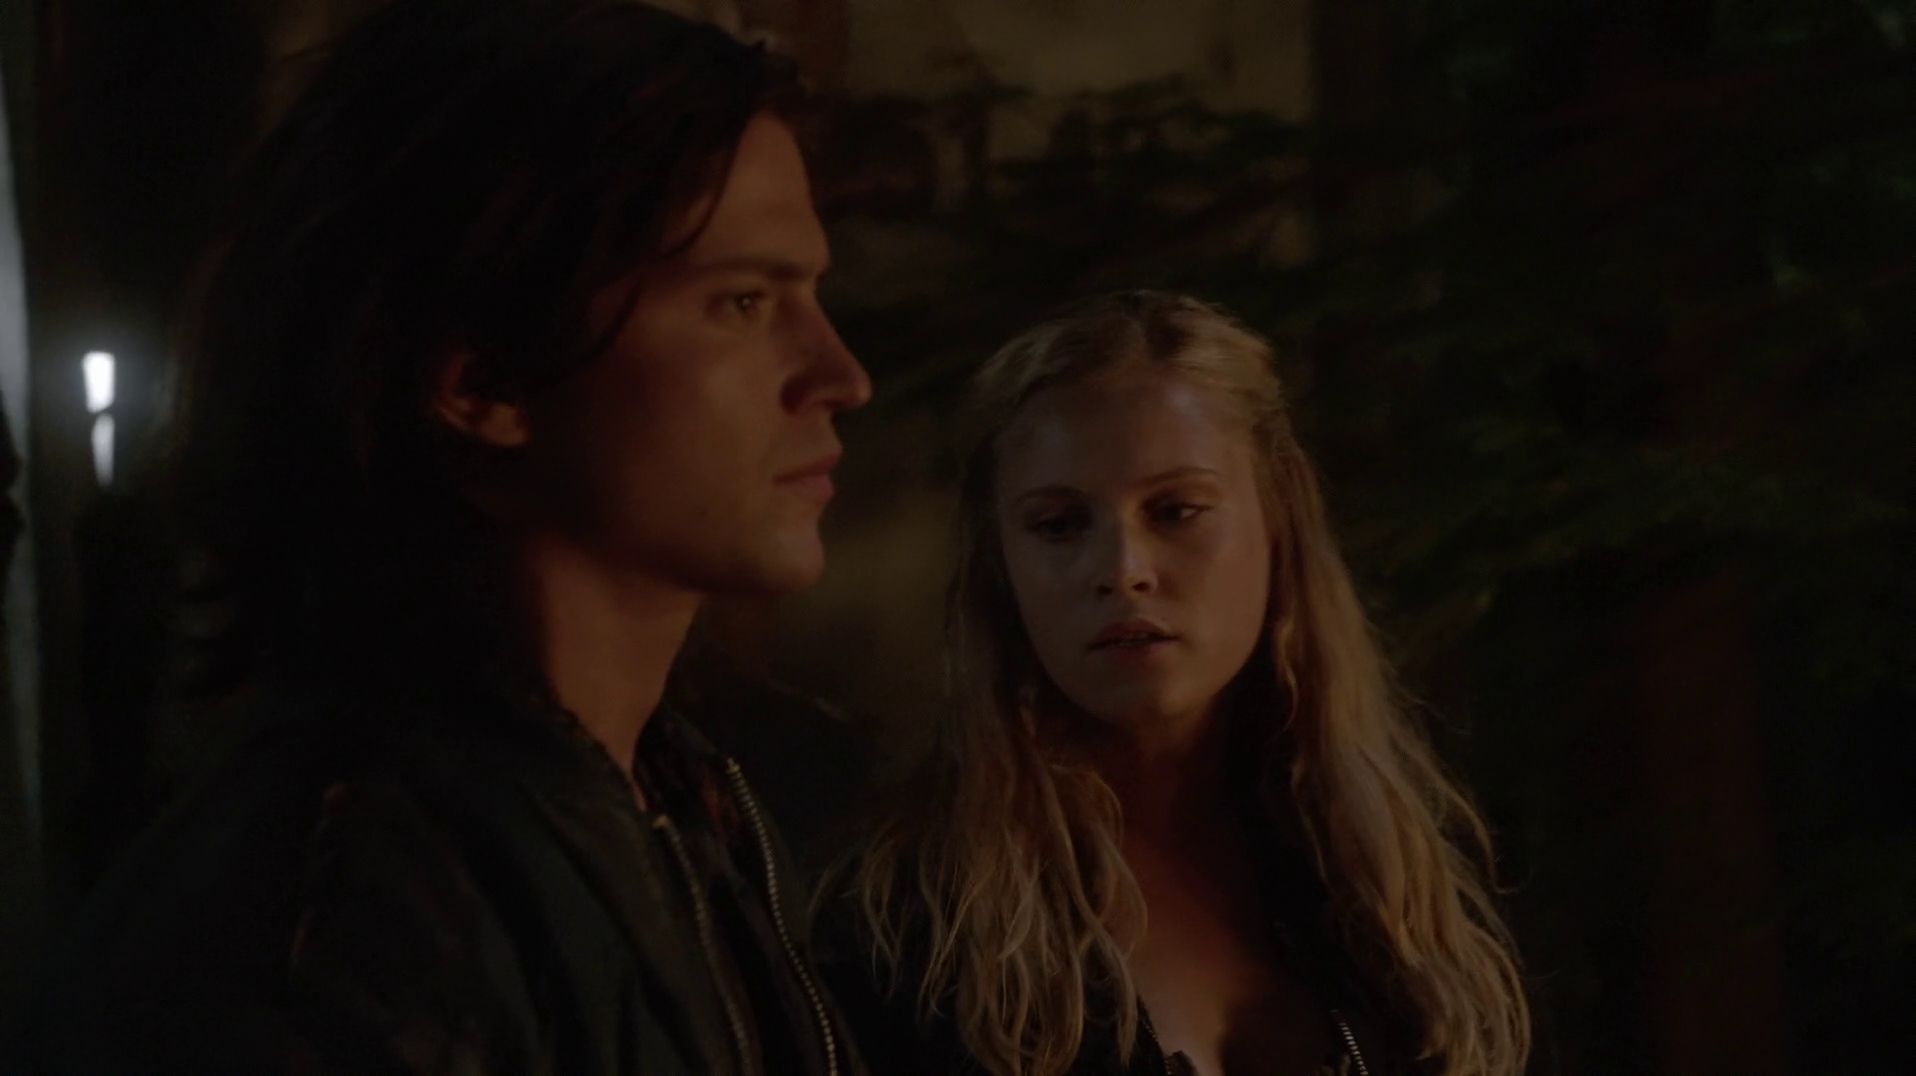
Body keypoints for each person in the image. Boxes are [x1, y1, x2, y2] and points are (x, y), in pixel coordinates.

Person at [32, 2, 871, 1073]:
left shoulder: (687, 812)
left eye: (811, 293)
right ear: (483, 380)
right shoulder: (337, 930)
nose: (841, 375)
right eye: (742, 302)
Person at [826, 291, 1530, 1075]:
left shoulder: (1399, 887)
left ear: (1276, 523)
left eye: (1176, 510)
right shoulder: (911, 929)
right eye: (1059, 525)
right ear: (1002, 566)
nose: (1123, 570)